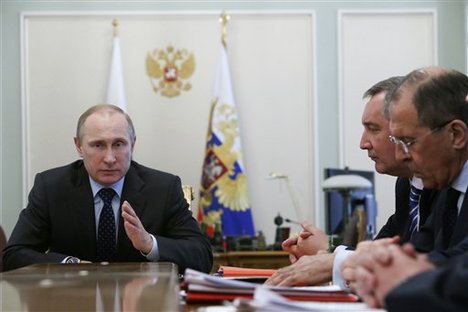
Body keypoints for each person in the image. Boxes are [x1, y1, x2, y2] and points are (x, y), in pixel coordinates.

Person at [265, 76, 437, 286]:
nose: (363, 143)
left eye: (373, 129)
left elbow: (428, 261)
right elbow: (380, 251)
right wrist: (328, 249)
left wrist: (332, 258)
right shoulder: (406, 184)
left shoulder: (442, 183)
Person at [2, 104, 213, 273]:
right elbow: (14, 256)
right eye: (98, 145)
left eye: (119, 144)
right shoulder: (51, 187)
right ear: (79, 146)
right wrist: (70, 264)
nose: (110, 158)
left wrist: (149, 244)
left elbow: (202, 256)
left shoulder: (163, 188)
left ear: (133, 144)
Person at [352, 66, 468, 310]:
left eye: (408, 142)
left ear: (456, 135)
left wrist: (396, 279)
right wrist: (374, 263)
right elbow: (425, 251)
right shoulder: (446, 186)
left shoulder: (442, 181)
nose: (401, 155)